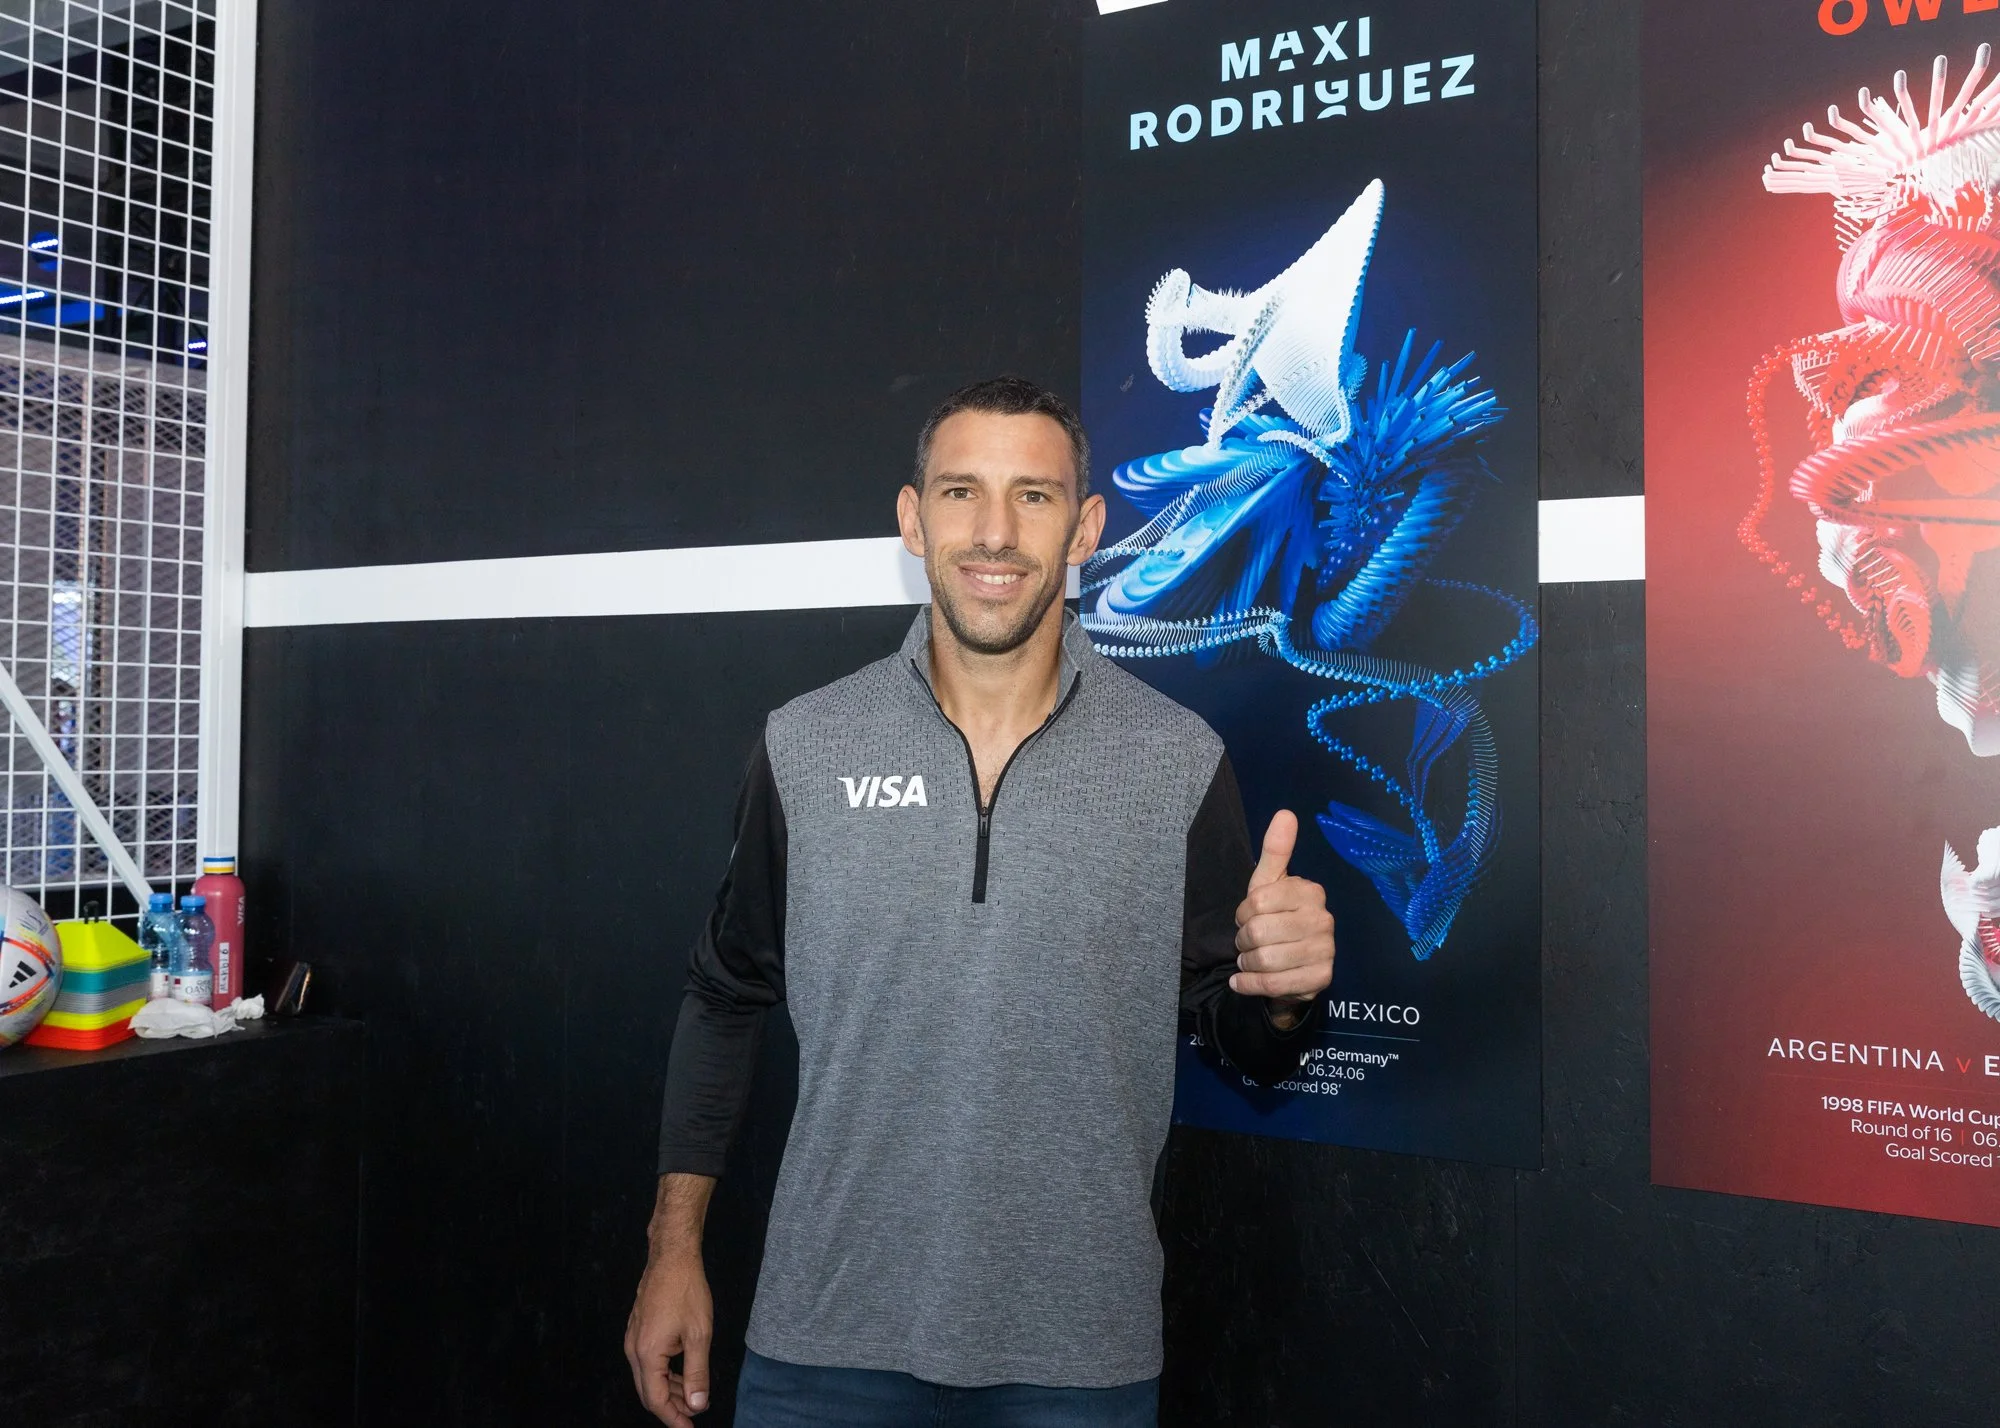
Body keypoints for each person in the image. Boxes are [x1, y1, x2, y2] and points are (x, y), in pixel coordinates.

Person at [624, 376, 1337, 1428]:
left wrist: (1282, 996)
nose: (993, 533)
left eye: (1033, 497)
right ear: (912, 520)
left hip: (1075, 1363)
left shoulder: (1176, 763)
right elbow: (724, 995)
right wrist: (671, 1247)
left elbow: (1242, 1040)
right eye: (960, 493)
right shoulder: (806, 745)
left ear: (1086, 528)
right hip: (823, 1346)